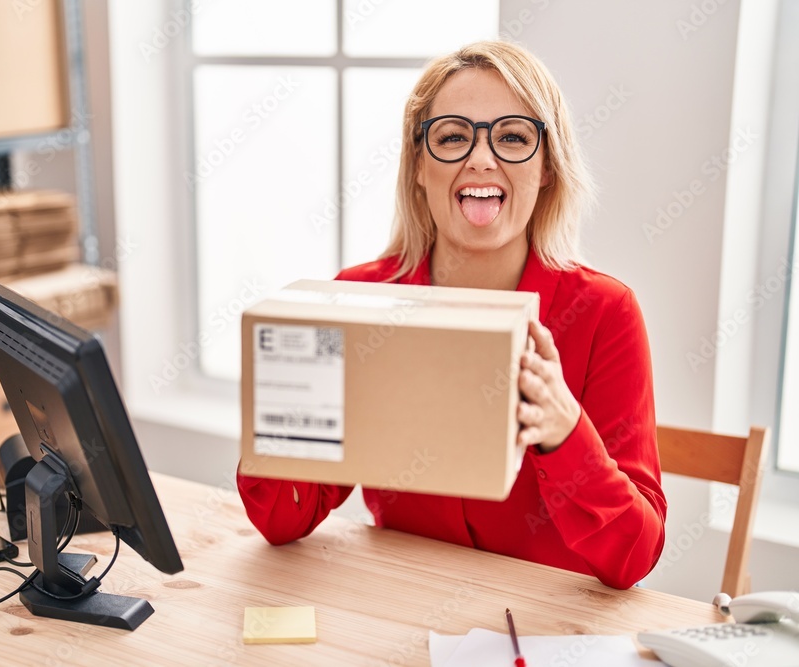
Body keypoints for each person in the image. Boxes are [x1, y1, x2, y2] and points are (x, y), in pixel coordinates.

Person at [236, 40, 665, 590]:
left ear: (548, 168)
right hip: (400, 619)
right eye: (453, 137)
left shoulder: (606, 313)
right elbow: (280, 521)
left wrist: (564, 432)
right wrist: (282, 412)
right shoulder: (359, 299)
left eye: (512, 137)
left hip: (544, 631)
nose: (481, 159)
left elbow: (632, 557)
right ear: (419, 165)